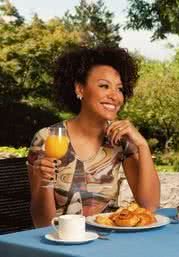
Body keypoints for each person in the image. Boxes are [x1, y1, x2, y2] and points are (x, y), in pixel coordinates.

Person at [27, 46, 160, 227]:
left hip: (107, 241)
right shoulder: (48, 138)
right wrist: (44, 182)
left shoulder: (120, 141)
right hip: (61, 242)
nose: (115, 96)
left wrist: (142, 145)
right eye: (104, 86)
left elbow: (150, 206)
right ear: (80, 89)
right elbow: (42, 224)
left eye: (119, 89)